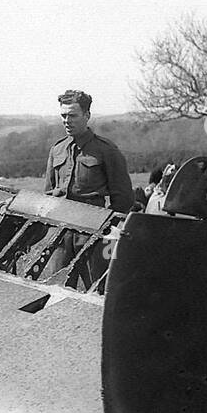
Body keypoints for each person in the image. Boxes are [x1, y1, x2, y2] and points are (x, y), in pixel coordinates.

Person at [42, 89, 134, 287]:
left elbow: (124, 198)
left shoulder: (105, 150)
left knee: (98, 291)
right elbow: (48, 193)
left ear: (87, 116)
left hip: (94, 235)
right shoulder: (57, 149)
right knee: (52, 290)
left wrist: (106, 229)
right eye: (63, 116)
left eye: (73, 115)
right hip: (60, 235)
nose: (67, 120)